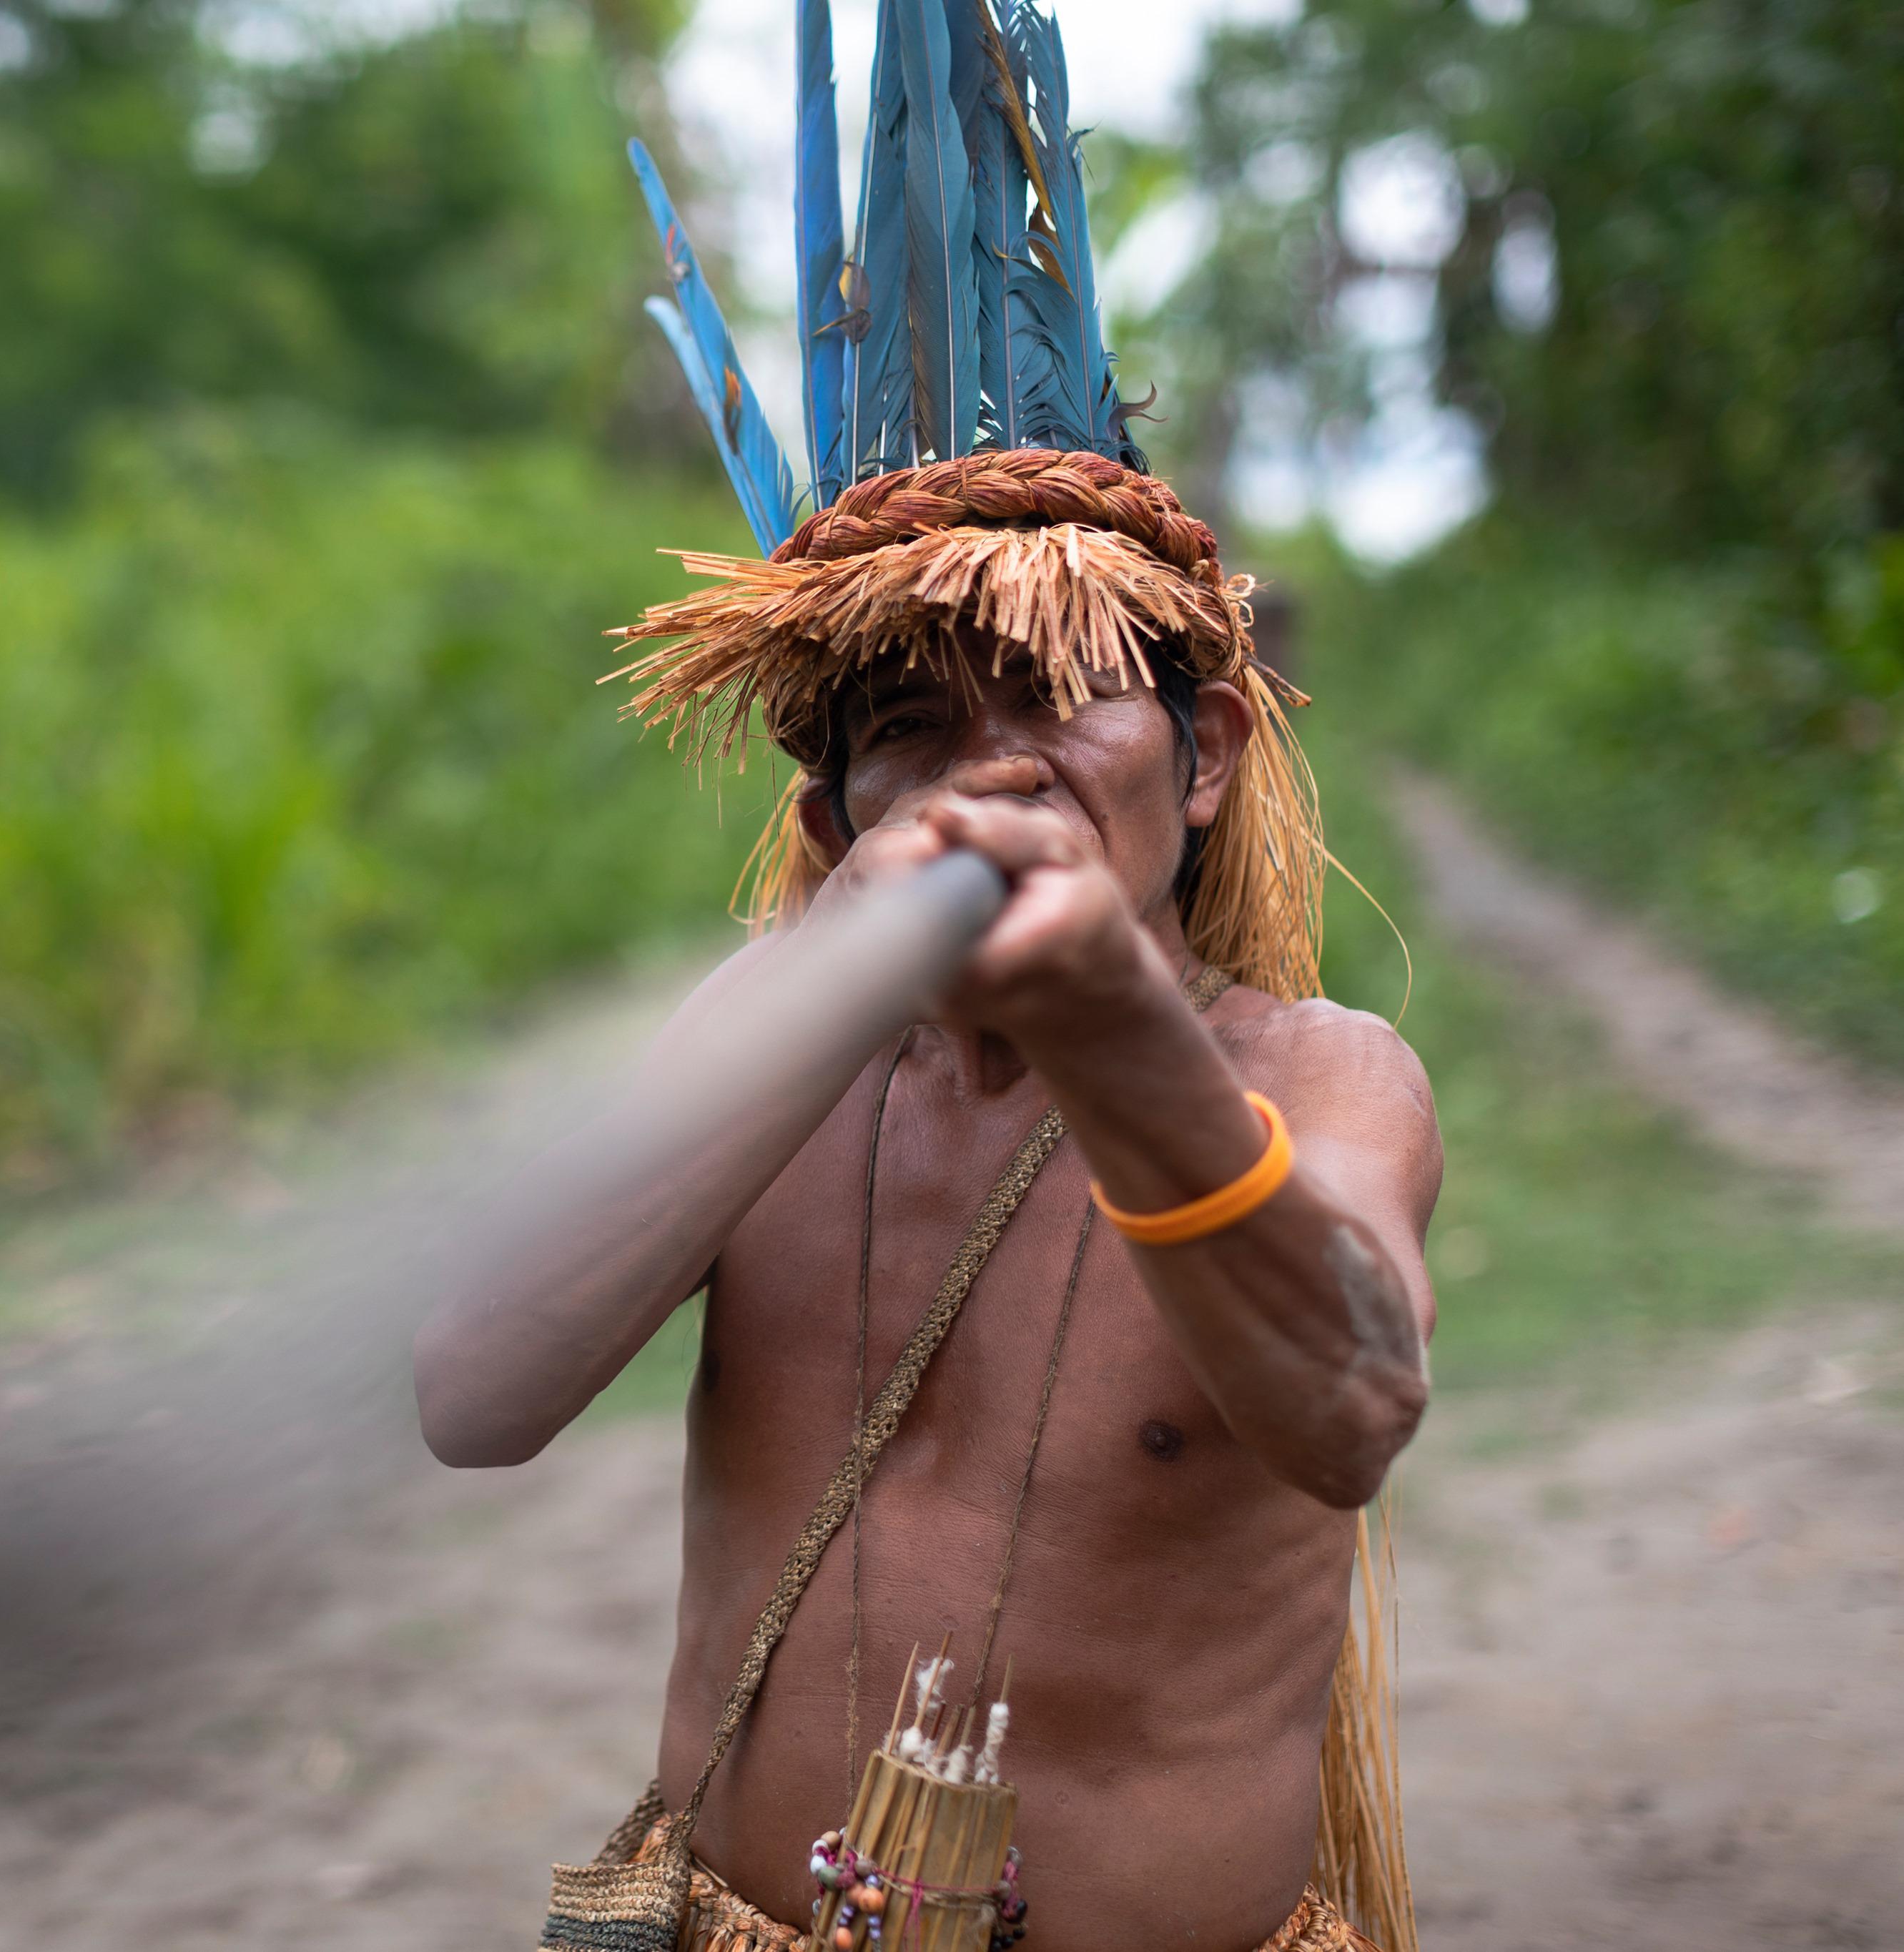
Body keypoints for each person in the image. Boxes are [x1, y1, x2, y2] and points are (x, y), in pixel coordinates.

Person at [410, 6, 1441, 1950]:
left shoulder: (1328, 1074)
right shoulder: (762, 1030)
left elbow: (1354, 1408)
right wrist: (826, 996)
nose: (991, 764)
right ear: (829, 803)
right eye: (910, 723)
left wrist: (1109, 1022)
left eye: (1061, 692)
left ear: (1206, 754)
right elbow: (472, 1390)